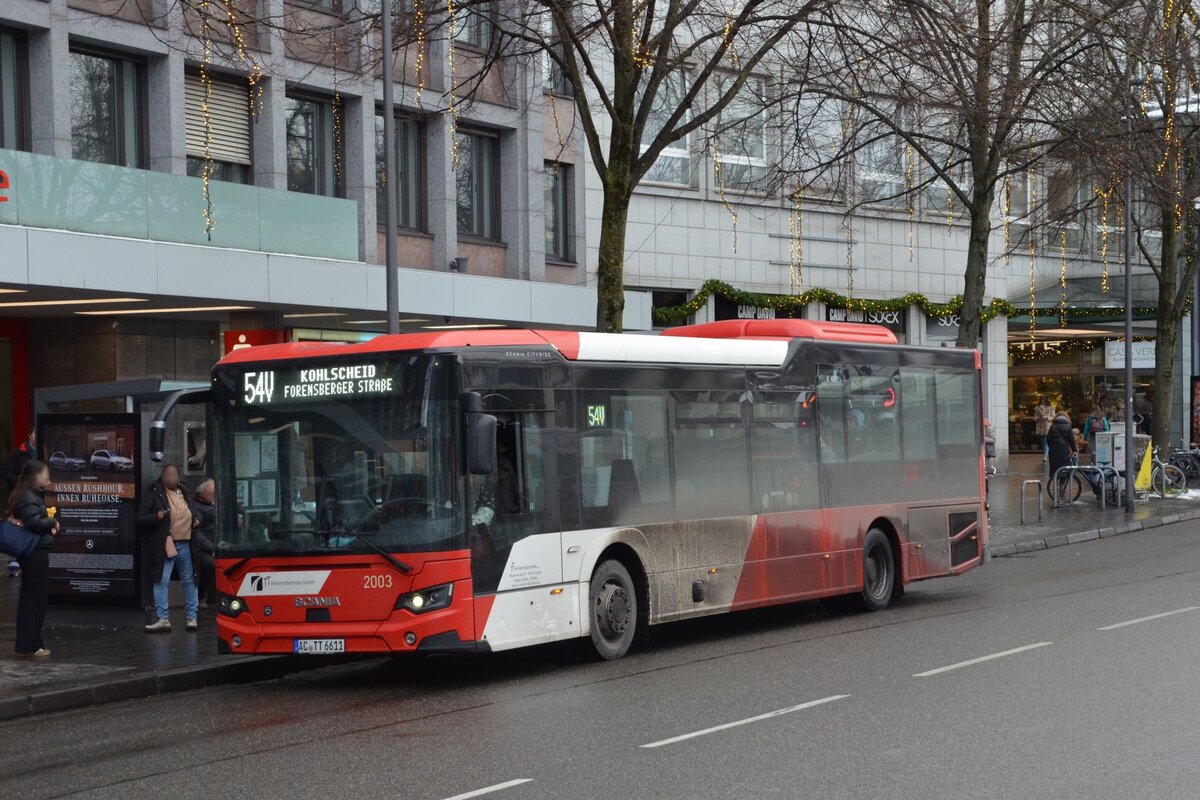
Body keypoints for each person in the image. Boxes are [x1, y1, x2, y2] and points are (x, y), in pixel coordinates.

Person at [137, 465, 200, 633]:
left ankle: (192, 616)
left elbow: (194, 511)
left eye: (174, 475)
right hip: (165, 544)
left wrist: (196, 519)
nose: (171, 478)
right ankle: (163, 618)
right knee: (161, 581)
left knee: (189, 580)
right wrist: (155, 517)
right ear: (163, 477)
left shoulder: (185, 493)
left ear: (179, 478)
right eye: (168, 475)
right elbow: (140, 519)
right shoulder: (154, 495)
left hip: (185, 543)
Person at [9, 460, 58, 657]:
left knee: (33, 598)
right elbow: (33, 522)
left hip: (34, 552)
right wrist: (52, 521)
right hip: (34, 552)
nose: (48, 478)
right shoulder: (28, 496)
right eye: (46, 474)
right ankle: (30, 645)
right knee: (35, 599)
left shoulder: (27, 495)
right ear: (36, 476)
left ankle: (30, 644)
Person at [1, 427, 36, 578]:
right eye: (35, 433)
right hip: (20, 496)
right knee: (17, 525)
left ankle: (29, 560)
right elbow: (5, 472)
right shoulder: (18, 453)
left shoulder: (45, 452)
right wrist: (20, 482)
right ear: (29, 435)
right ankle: (14, 563)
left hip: (38, 497)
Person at [191, 479, 217, 609]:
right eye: (212, 493)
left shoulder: (219, 504)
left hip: (220, 543)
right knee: (208, 563)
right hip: (203, 547)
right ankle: (201, 596)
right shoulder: (195, 506)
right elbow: (196, 533)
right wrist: (211, 548)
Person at [1046, 412, 1078, 496]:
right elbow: (1072, 441)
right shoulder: (1068, 427)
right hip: (1064, 451)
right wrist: (1074, 450)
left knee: (1055, 469)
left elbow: (1048, 439)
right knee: (1064, 469)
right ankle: (1061, 487)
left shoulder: (1052, 427)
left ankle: (1055, 486)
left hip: (1054, 452)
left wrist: (1052, 447)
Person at [1034, 397, 1056, 463]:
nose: (1043, 402)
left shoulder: (1051, 408)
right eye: (1042, 401)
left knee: (1046, 440)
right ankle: (1047, 454)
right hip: (1040, 426)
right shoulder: (1037, 408)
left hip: (1048, 426)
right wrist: (1038, 418)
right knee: (1043, 441)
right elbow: (1035, 418)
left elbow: (1054, 417)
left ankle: (1045, 456)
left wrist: (1047, 417)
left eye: (1044, 401)